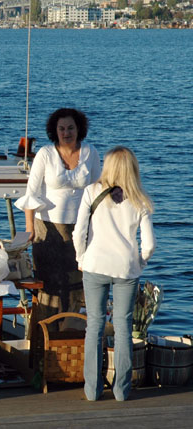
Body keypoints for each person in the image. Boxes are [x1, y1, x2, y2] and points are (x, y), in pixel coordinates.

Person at [72, 146, 155, 401]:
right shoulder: (139, 199)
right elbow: (150, 244)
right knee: (123, 327)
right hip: (125, 269)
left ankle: (92, 390)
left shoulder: (92, 191)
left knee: (94, 326)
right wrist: (139, 263)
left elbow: (79, 233)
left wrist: (81, 258)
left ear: (108, 166)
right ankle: (121, 391)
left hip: (95, 265)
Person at [14, 108, 101, 324]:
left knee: (79, 284)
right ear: (55, 131)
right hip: (48, 229)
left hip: (82, 229)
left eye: (70, 127)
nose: (66, 132)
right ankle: (45, 337)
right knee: (49, 288)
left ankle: (74, 335)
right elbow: (31, 194)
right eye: (61, 128)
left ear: (79, 129)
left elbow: (100, 192)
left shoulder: (90, 153)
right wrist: (29, 229)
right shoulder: (45, 154)